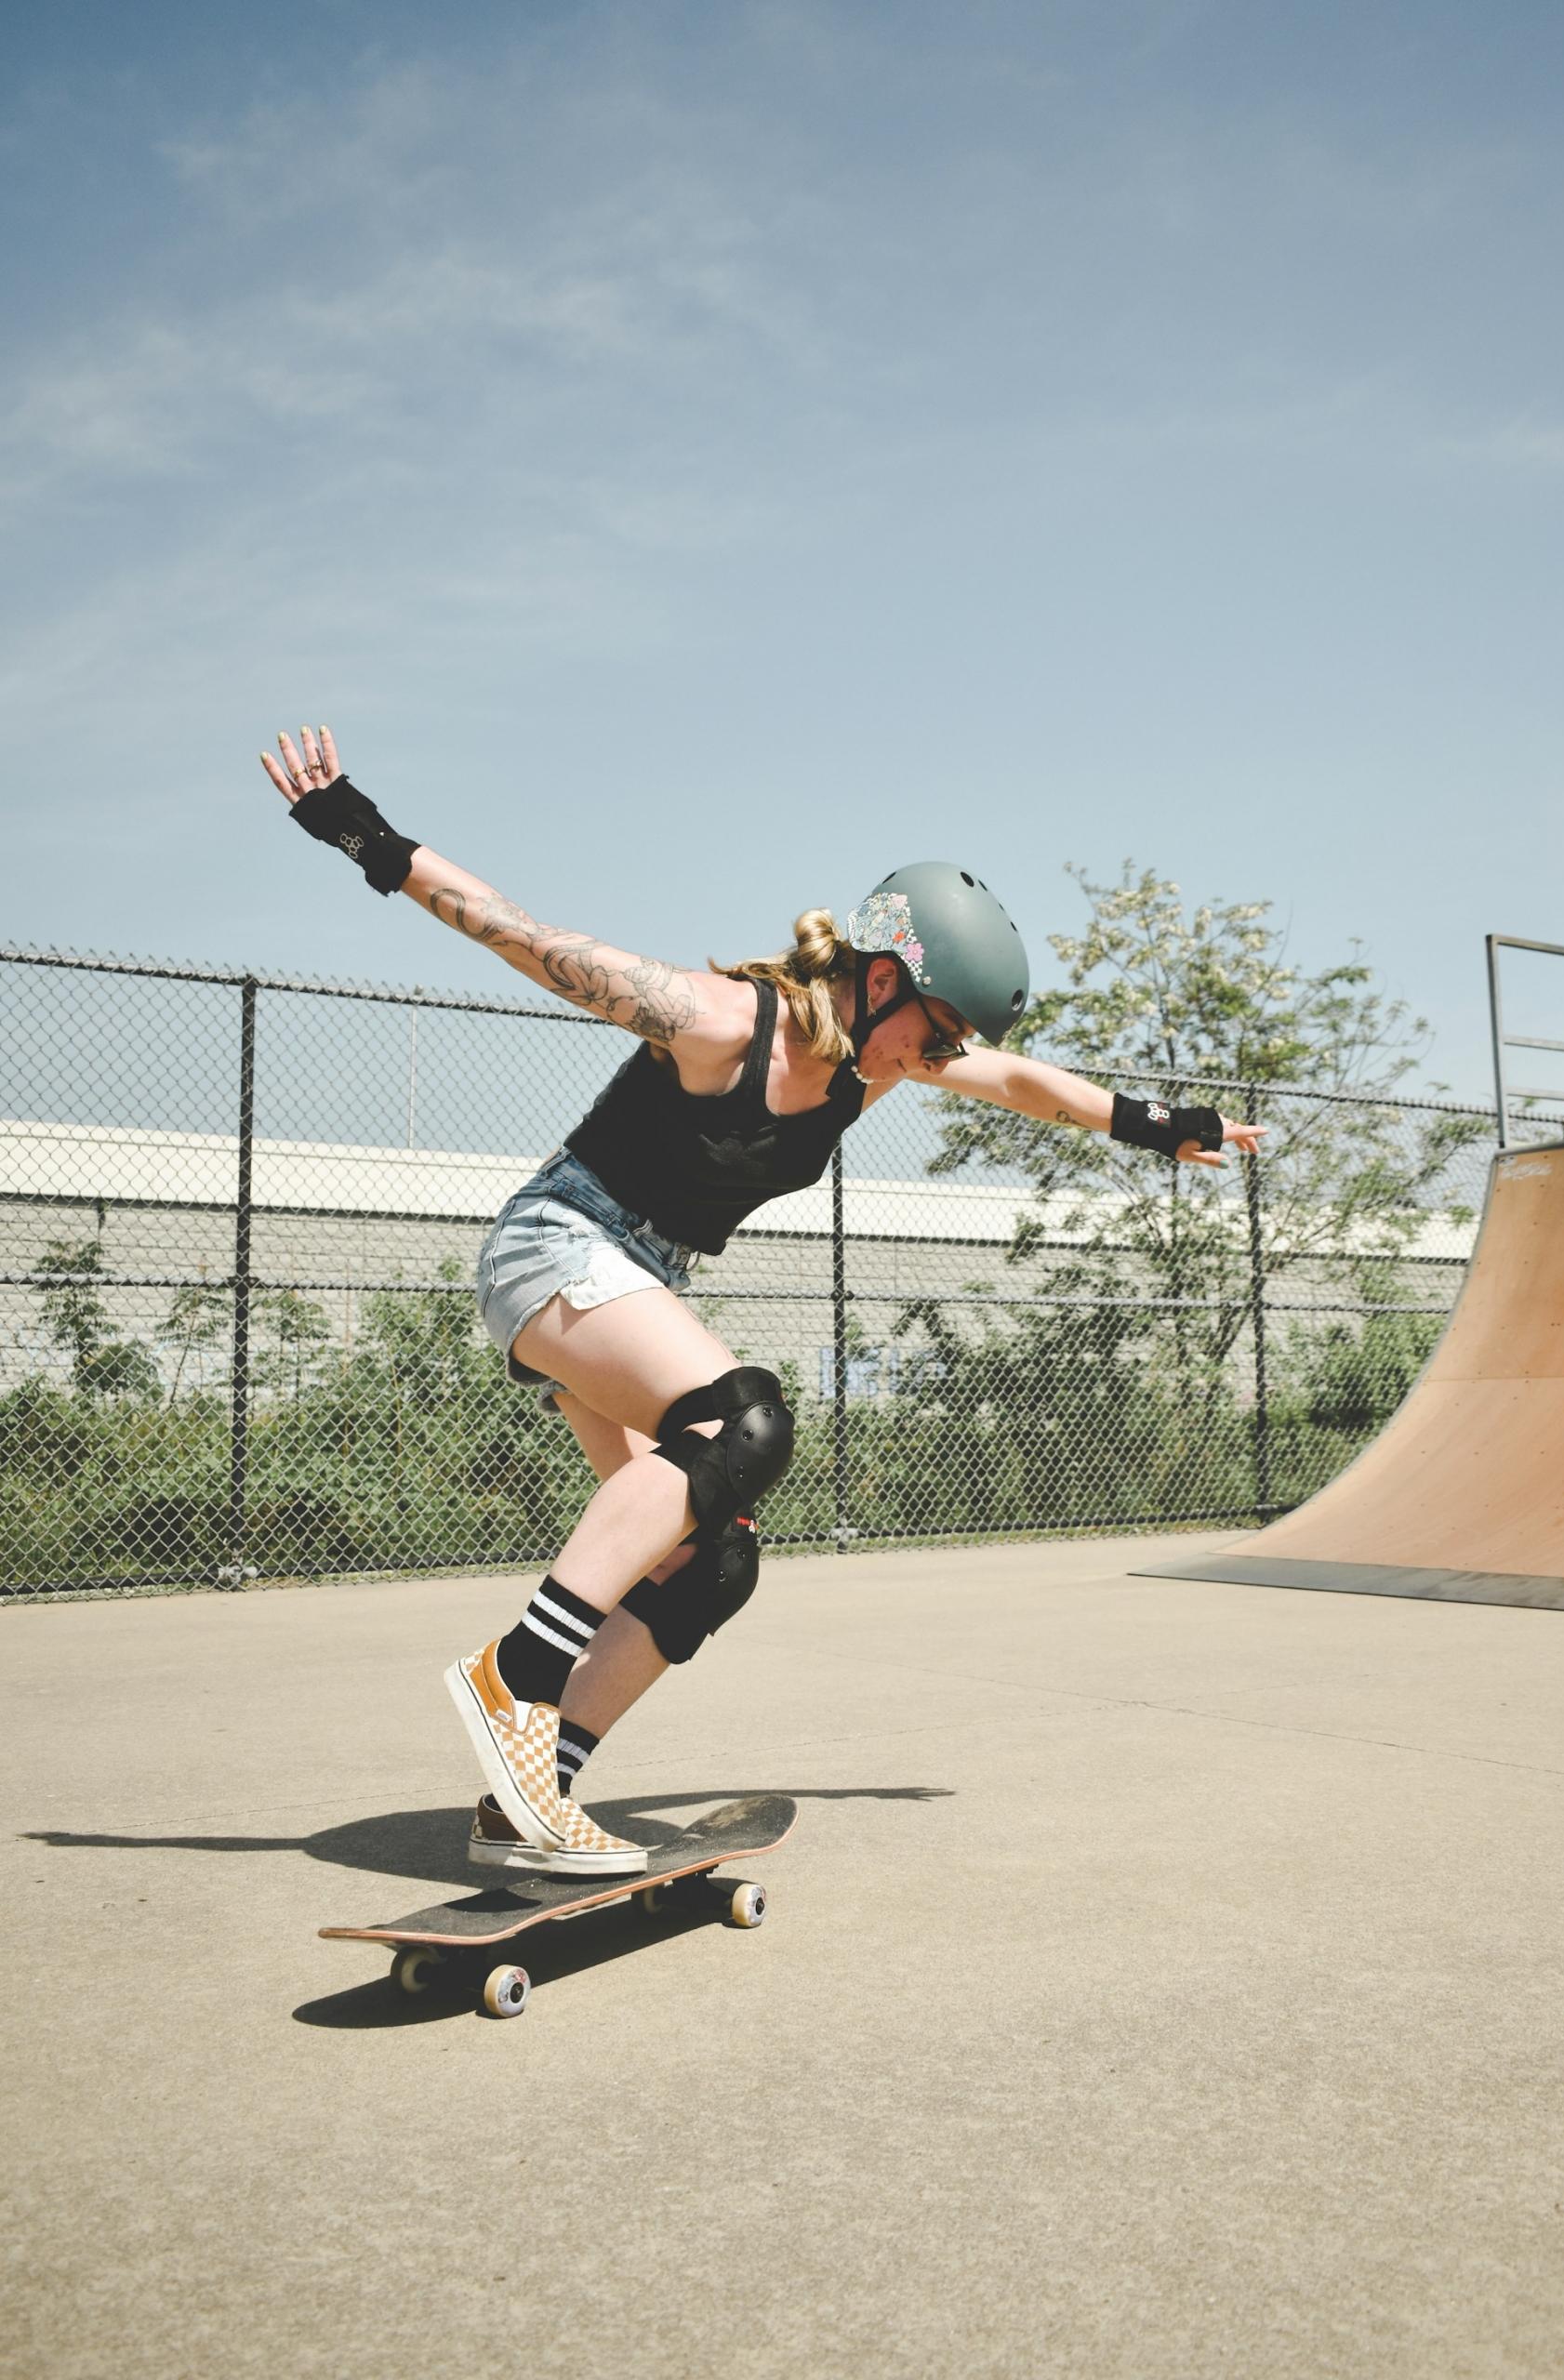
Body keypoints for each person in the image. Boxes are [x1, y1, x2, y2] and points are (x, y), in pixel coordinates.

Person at [259, 725, 1265, 1876]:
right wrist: (360, 831)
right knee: (743, 1422)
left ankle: (527, 1794)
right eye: (933, 1034)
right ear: (880, 979)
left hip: (632, 1285)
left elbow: (1029, 1086)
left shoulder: (877, 1059)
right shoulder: (721, 1021)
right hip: (557, 1248)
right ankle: (514, 1680)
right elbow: (526, 938)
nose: (933, 1062)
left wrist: (1158, 1125)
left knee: (713, 1562)